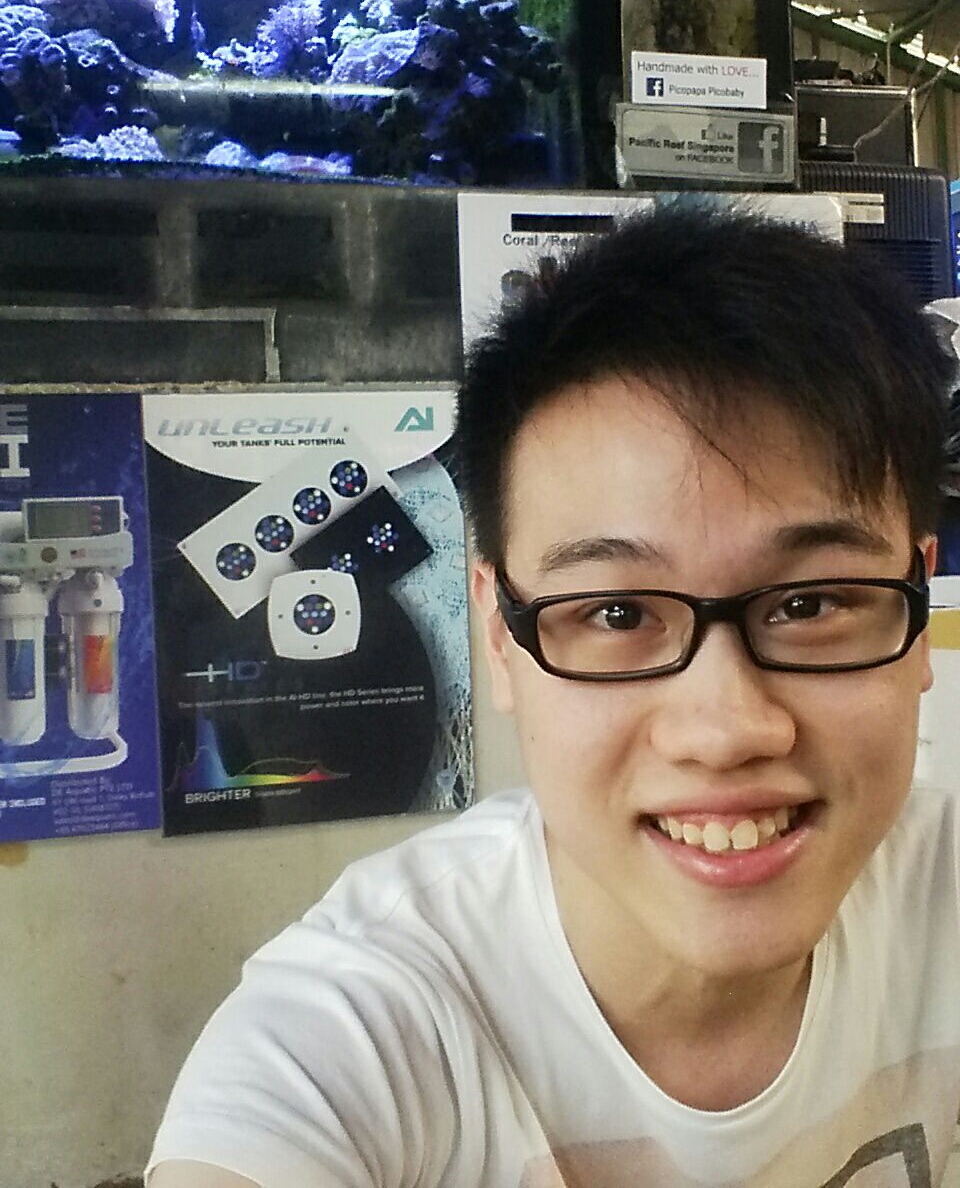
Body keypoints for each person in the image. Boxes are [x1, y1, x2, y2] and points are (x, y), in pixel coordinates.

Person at [147, 201, 960, 1188]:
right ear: (500, 634)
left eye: (811, 602)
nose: (725, 729)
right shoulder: (362, 1027)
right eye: (617, 612)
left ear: (917, 600)